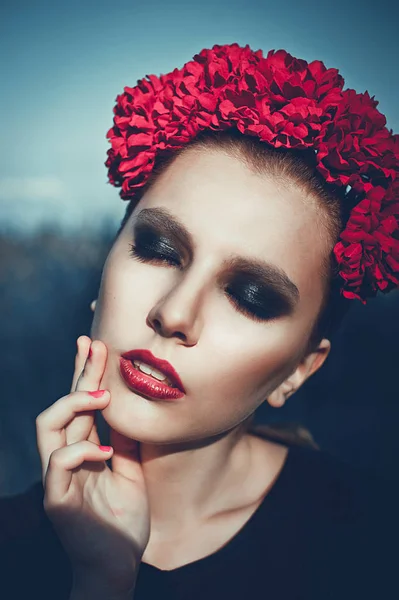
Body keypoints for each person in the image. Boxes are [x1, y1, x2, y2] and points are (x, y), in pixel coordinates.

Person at [1, 43, 398, 600]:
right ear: (106, 268)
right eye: (159, 249)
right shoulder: (11, 550)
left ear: (300, 370)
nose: (174, 313)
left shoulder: (374, 548)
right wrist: (101, 580)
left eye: (252, 297)